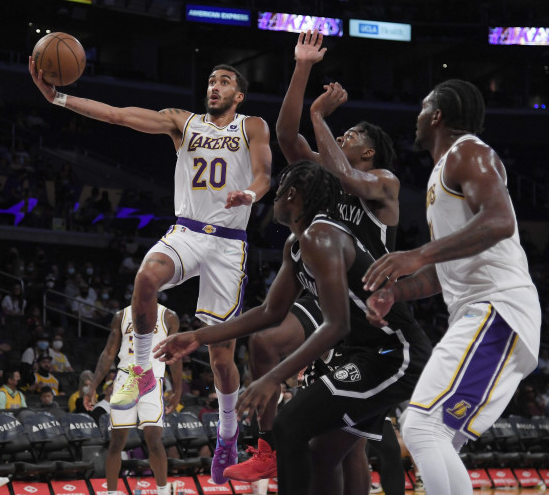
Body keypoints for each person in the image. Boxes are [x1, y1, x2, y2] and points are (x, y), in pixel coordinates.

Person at [30, 54, 271, 483]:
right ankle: (142, 369)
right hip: (188, 231)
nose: (214, 86)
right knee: (145, 277)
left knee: (220, 358)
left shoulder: (252, 125)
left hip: (228, 244)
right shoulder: (184, 122)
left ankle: (229, 434)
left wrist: (250, 196)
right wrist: (59, 98)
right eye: (211, 80)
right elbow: (118, 115)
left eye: (224, 81)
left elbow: (264, 175)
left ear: (239, 94)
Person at [154, 161, 430, 495]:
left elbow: (337, 324)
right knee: (322, 455)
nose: (273, 199)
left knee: (289, 425)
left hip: (394, 353)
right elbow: (271, 311)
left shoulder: (321, 235)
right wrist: (198, 336)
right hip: (367, 354)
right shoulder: (297, 244)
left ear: (292, 194)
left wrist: (271, 378)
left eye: (279, 190)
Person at [227, 30, 406, 493]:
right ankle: (266, 447)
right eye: (339, 132)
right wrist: (302, 68)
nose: (341, 137)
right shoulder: (326, 178)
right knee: (267, 343)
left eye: (351, 136)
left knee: (346, 447)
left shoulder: (383, 181)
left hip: (369, 311)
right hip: (326, 296)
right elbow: (287, 136)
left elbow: (347, 174)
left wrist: (319, 115)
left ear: (368, 151)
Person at [362, 79, 542, 495]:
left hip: (497, 308)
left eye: (423, 109)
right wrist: (396, 293)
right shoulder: (442, 173)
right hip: (486, 313)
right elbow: (444, 271)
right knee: (437, 434)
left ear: (438, 115)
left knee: (421, 426)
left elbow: (500, 221)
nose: (418, 117)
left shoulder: (468, 152)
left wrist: (418, 254)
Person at [84, 304, 182, 495]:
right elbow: (108, 352)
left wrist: (177, 390)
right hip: (124, 379)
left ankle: (163, 491)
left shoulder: (169, 316)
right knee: (117, 441)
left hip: (153, 380)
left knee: (154, 440)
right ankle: (112, 492)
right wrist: (94, 385)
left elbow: (175, 356)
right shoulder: (121, 315)